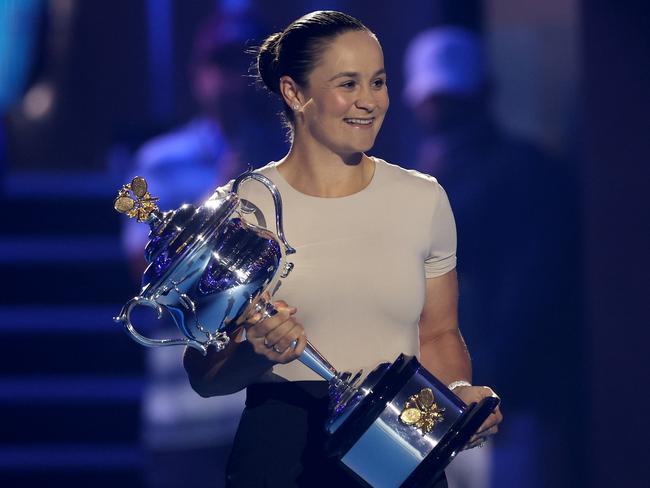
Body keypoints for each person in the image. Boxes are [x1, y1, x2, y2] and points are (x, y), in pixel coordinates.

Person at [183, 11, 503, 488]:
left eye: (378, 82)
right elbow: (205, 373)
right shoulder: (244, 207)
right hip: (282, 455)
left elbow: (438, 335)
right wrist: (255, 353)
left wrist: (458, 398)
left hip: (400, 444)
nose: (369, 102)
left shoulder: (424, 198)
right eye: (348, 84)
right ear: (294, 93)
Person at [403, 27, 576, 488]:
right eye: (436, 99)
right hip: (436, 408)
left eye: (452, 98)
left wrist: (490, 389)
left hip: (506, 406)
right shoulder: (413, 181)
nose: (442, 111)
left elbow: (530, 295)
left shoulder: (523, 172)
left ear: (482, 93)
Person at [121, 14, 257, 488]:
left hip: (274, 410)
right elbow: (143, 269)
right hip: (185, 413)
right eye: (220, 64)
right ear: (198, 74)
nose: (232, 81)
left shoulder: (297, 158)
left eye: (246, 65)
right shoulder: (156, 160)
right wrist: (219, 197)